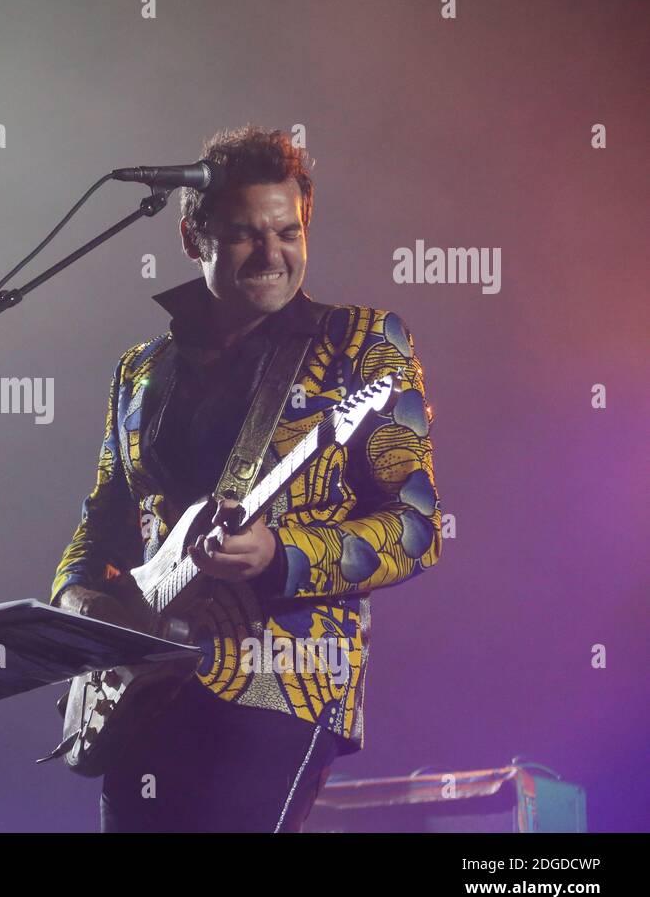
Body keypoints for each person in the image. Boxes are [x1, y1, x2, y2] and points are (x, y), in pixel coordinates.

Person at [51, 126, 442, 832]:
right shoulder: (140, 370)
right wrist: (80, 601)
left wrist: (278, 555)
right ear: (190, 237)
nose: (271, 255)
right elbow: (102, 519)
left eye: (287, 232)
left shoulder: (359, 343)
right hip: (139, 693)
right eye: (243, 235)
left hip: (277, 688)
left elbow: (416, 529)